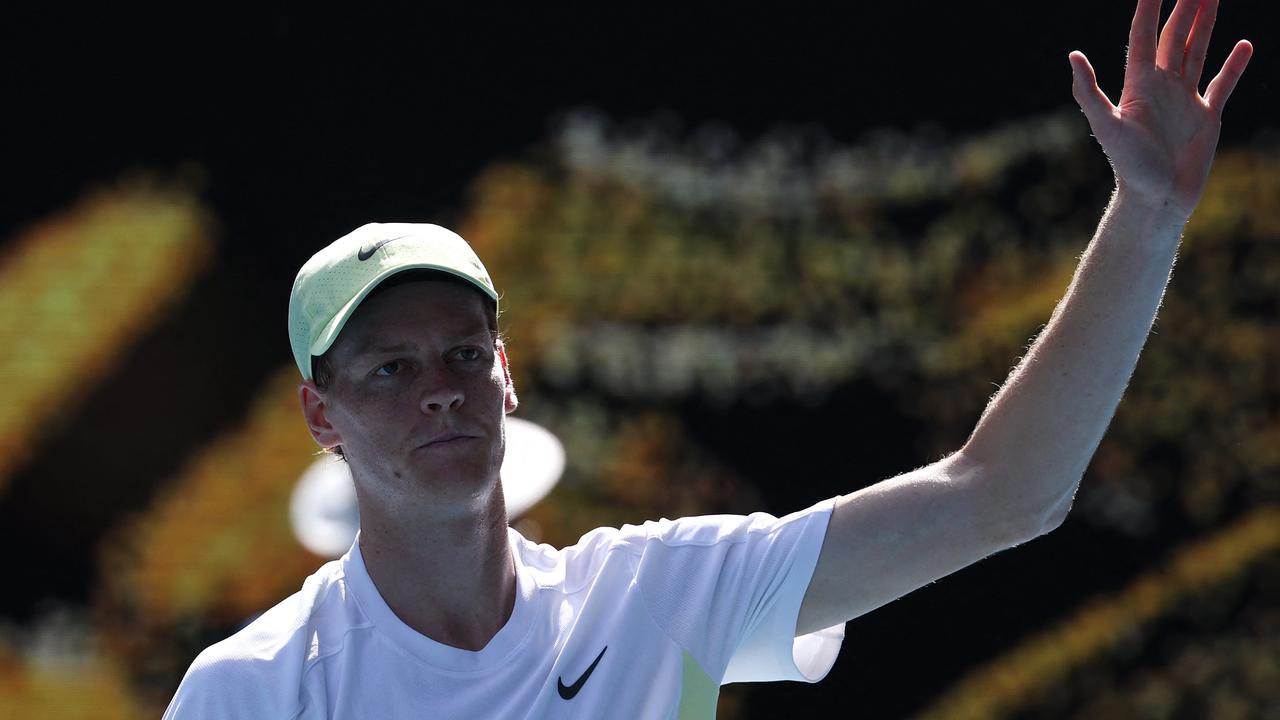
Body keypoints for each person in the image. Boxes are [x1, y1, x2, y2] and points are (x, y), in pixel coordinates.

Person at [163, 1, 1252, 717]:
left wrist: (1145, 216)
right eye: (387, 372)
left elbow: (1003, 493)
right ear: (320, 417)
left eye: (460, 350)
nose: (438, 386)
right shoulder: (253, 691)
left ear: (507, 376)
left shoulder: (657, 594)